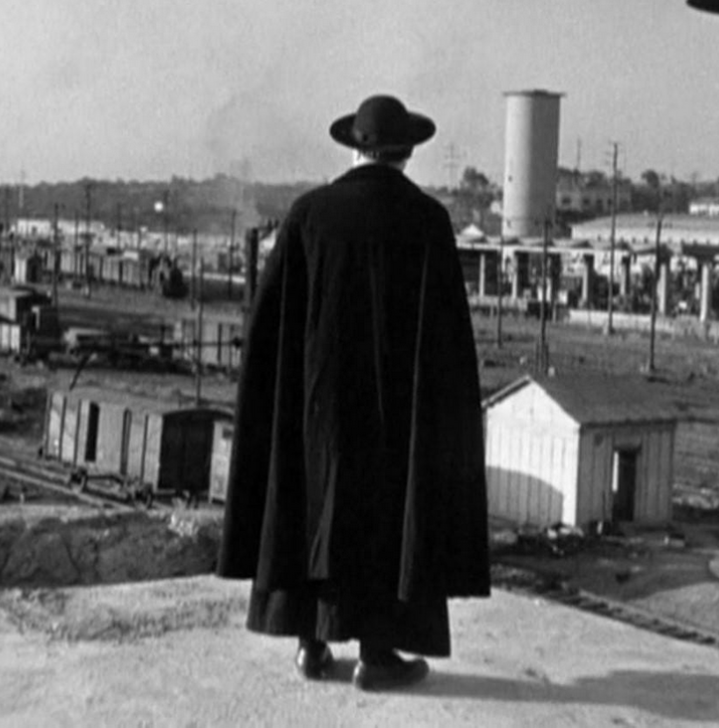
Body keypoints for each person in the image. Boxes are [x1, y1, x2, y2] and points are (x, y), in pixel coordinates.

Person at [216, 95, 490, 692]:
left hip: (317, 411)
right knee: (387, 520)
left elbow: (269, 325)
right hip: (396, 417)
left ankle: (311, 646)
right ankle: (377, 654)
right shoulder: (427, 220)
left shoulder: (309, 214)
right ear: (407, 152)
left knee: (311, 507)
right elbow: (447, 339)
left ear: (354, 148)